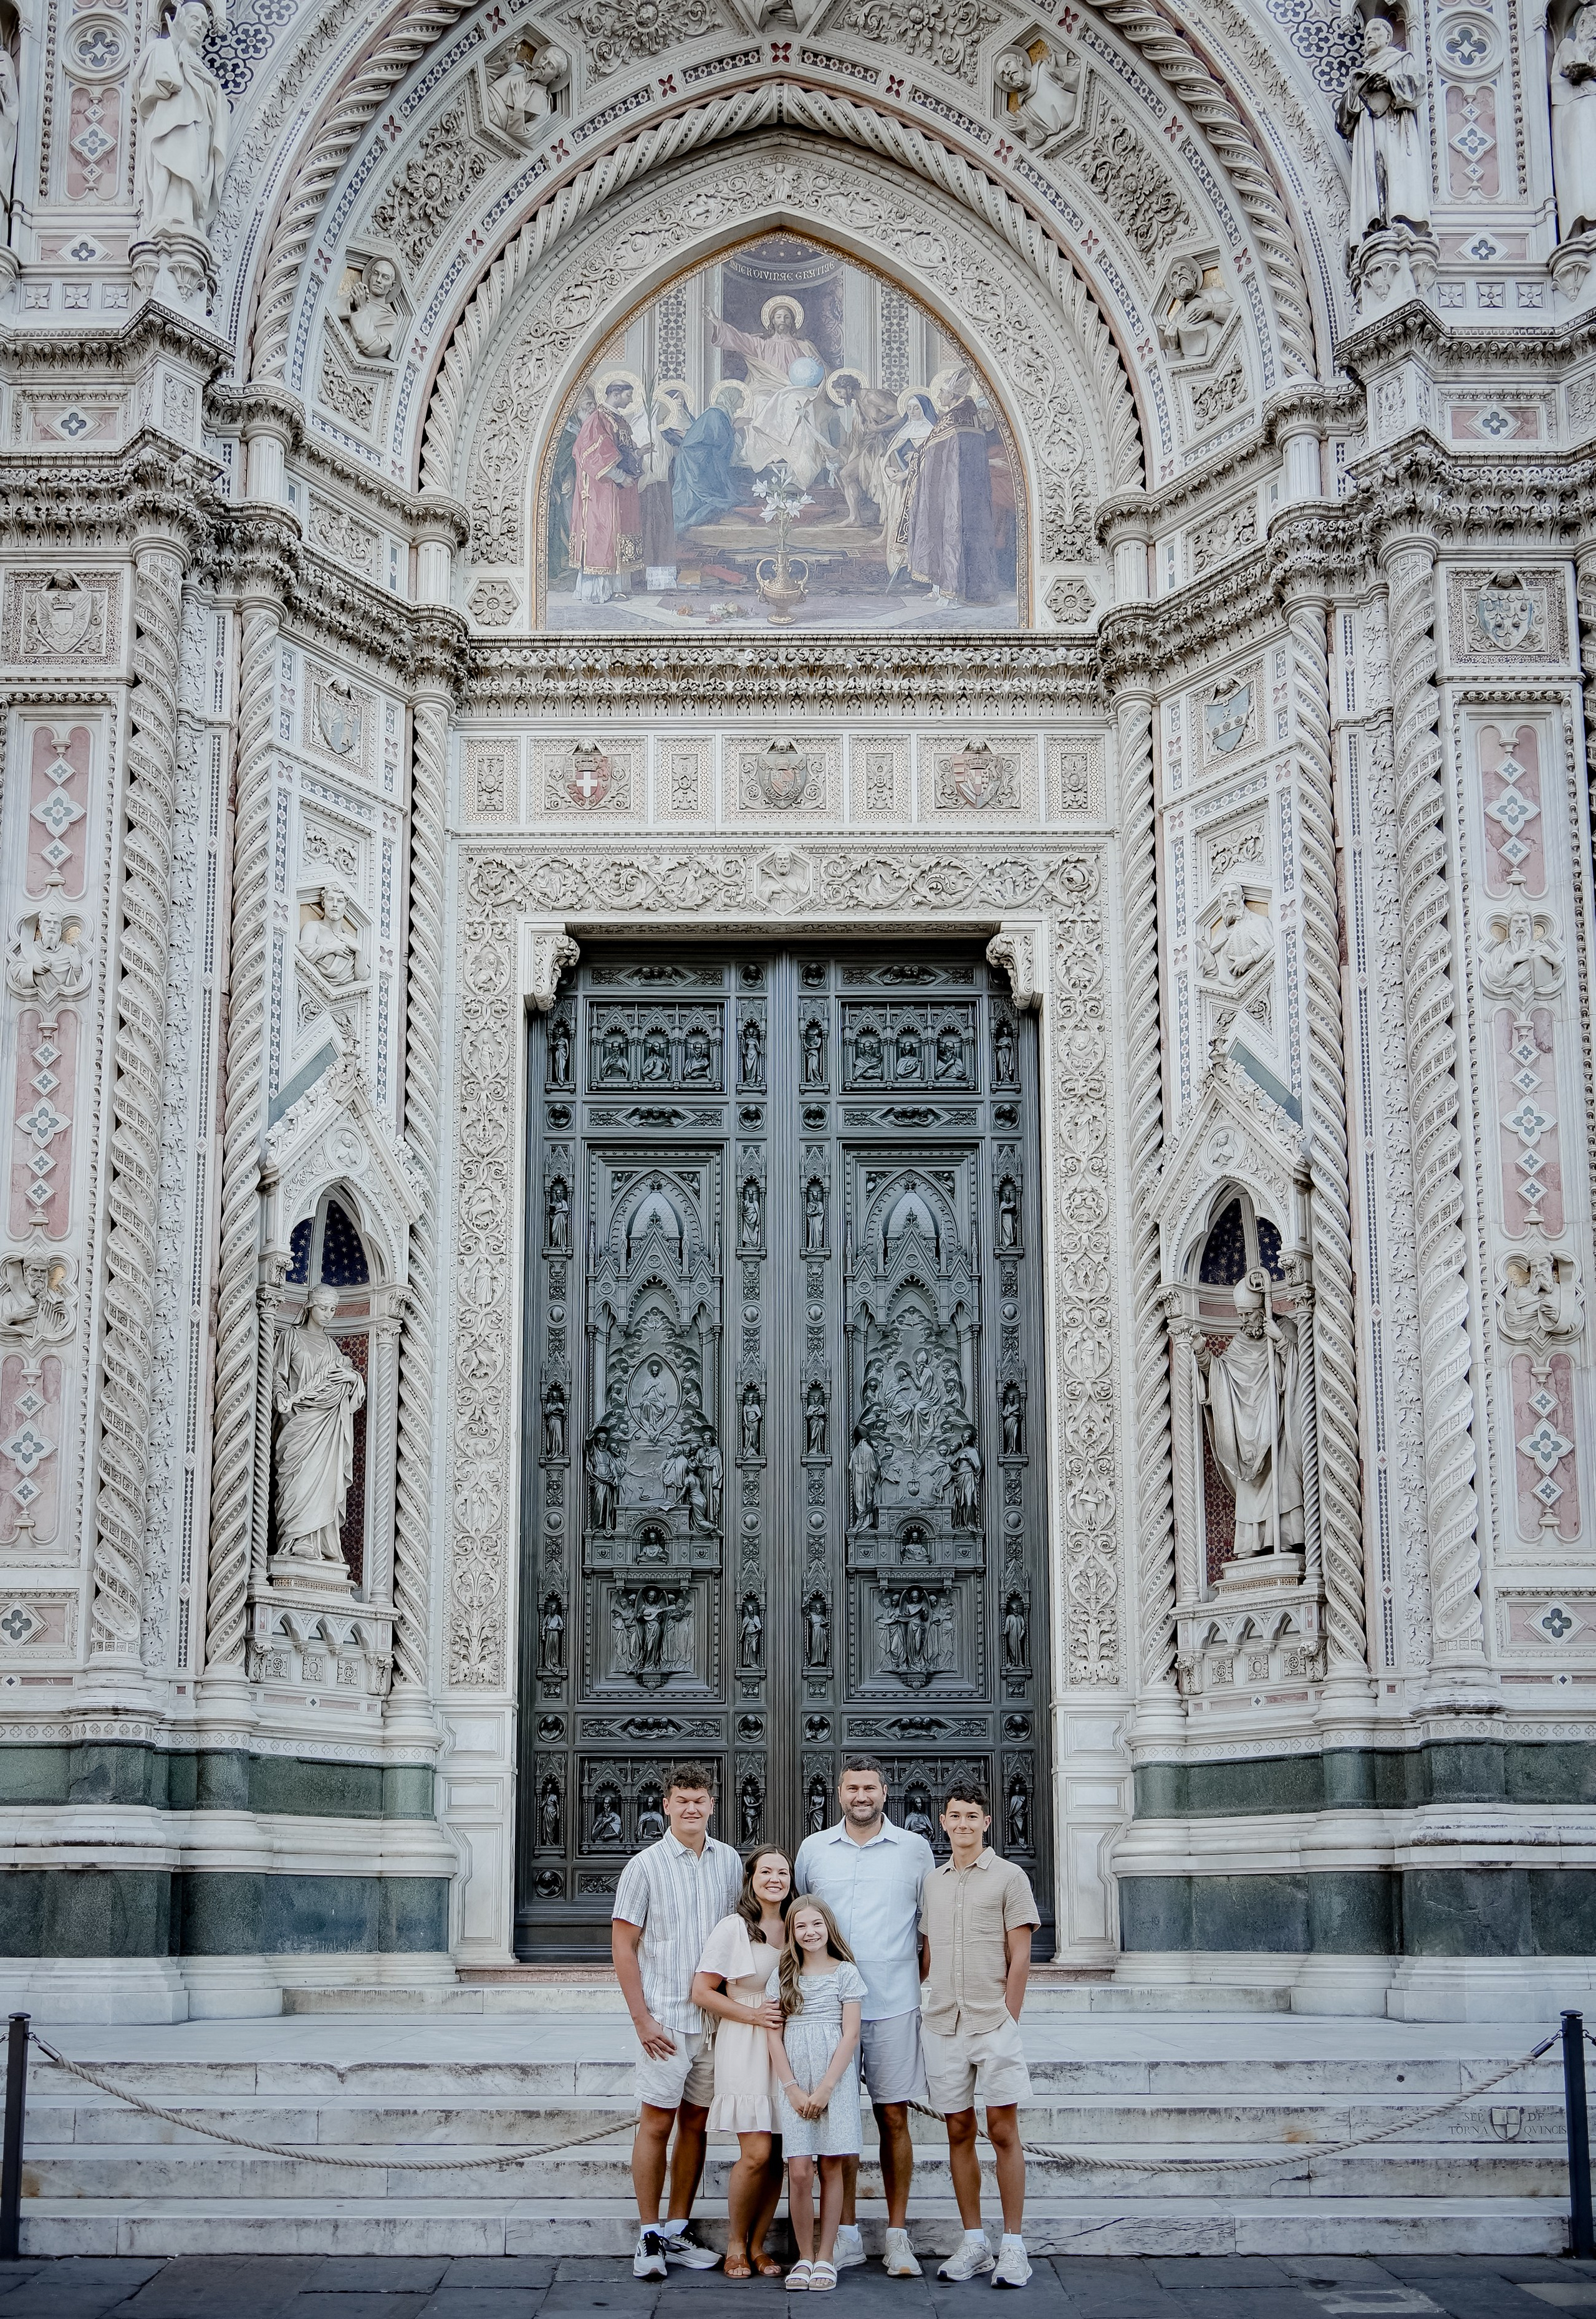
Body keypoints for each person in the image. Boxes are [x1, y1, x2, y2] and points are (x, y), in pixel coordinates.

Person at [795, 1756, 933, 2276]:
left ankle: (897, 2236)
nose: (861, 1795)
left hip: (895, 2005)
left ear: (884, 1792)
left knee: (893, 2116)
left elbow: (928, 1929)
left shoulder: (915, 1851)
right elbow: (801, 1921)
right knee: (839, 2122)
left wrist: (910, 1981)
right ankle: (846, 2232)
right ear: (839, 1793)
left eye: (869, 1787)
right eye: (852, 1787)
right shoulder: (813, 1851)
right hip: (826, 2015)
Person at [612, 1763, 741, 2278]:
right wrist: (642, 2019)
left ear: (712, 1805)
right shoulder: (643, 1867)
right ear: (666, 1805)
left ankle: (678, 2227)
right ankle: (647, 2234)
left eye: (700, 1799)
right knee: (656, 2122)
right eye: (682, 1799)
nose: (692, 1807)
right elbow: (624, 1946)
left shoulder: (730, 1862)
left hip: (714, 2022)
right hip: (665, 2020)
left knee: (695, 2123)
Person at [920, 1780, 1041, 2288]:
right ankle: (974, 2242)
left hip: (994, 2022)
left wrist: (1009, 2018)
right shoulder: (933, 1882)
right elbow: (926, 1953)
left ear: (987, 1823)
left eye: (972, 1816)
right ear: (943, 1823)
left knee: (1005, 2131)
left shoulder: (1011, 1877)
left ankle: (1013, 2244)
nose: (963, 1824)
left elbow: (1021, 1957)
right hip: (944, 2022)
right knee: (957, 2131)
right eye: (955, 1816)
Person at [690, 1847, 794, 2278]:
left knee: (779, 2154)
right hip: (745, 2040)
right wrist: (753, 2015)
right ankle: (735, 2243)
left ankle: (758, 2246)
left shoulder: (797, 1924)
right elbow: (702, 1991)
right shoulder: (734, 1928)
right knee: (756, 2150)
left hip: (788, 2044)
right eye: (765, 1871)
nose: (774, 1878)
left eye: (782, 1872)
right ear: (751, 1878)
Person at [767, 1898, 867, 2292]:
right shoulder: (783, 1975)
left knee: (831, 2166)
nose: (810, 1933)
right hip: (795, 2076)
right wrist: (791, 2088)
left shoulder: (846, 1974)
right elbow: (773, 2034)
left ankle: (826, 2256)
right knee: (800, 2170)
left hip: (834, 2079)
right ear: (792, 1933)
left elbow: (851, 2035)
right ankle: (804, 2257)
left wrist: (826, 2088)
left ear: (829, 1927)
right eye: (801, 1927)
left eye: (816, 1924)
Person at [570, 372, 643, 605]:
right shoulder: (597, 419)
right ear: (615, 394)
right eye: (628, 396)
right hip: (601, 490)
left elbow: (625, 451)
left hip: (621, 490)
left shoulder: (619, 420)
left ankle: (616, 587)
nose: (630, 401)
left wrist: (639, 456)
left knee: (619, 533)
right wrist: (621, 476)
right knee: (603, 533)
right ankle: (598, 590)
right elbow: (593, 455)